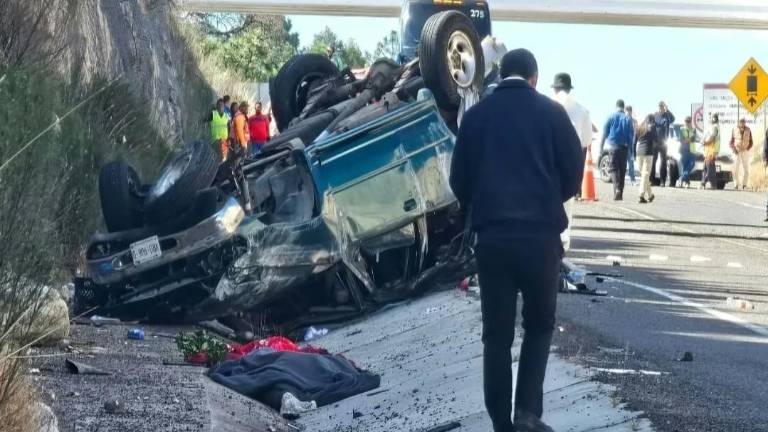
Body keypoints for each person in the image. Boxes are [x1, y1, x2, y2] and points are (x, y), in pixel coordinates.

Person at [449, 48, 583, 432]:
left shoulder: (475, 118)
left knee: (497, 335)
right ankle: (527, 413)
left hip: (493, 239)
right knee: (539, 326)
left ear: (500, 75)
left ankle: (501, 423)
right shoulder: (552, 114)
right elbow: (573, 174)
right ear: (534, 79)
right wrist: (544, 199)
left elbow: (459, 181)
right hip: (540, 239)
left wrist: (484, 203)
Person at [600, 99, 634, 200]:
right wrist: (631, 151)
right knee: (622, 170)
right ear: (623, 107)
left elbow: (604, 133)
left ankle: (617, 189)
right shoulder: (628, 119)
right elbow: (631, 137)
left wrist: (600, 147)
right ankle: (620, 193)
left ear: (616, 107)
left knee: (613, 169)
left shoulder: (611, 117)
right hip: (624, 148)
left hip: (613, 147)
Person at [634, 114, 658, 203]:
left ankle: (650, 195)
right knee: (646, 174)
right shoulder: (652, 127)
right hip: (648, 153)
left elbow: (634, 142)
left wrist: (633, 154)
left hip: (638, 153)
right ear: (652, 120)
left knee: (644, 175)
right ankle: (641, 195)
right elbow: (656, 139)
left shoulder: (639, 127)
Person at [652, 101, 675, 186]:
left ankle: (662, 181)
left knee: (663, 162)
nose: (660, 108)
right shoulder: (655, 115)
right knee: (653, 161)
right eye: (659, 106)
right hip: (655, 142)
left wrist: (667, 110)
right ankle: (652, 180)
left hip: (663, 142)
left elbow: (673, 119)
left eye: (662, 106)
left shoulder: (667, 116)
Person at [730, 118, 754, 190]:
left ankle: (744, 185)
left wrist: (747, 148)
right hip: (737, 151)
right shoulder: (734, 129)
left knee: (746, 169)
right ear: (739, 123)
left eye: (743, 122)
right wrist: (734, 149)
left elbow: (751, 141)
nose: (742, 123)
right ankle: (736, 184)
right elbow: (731, 142)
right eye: (741, 122)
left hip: (745, 151)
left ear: (745, 123)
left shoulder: (748, 130)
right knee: (735, 169)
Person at [701, 113, 720, 189]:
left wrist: (705, 142)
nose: (710, 119)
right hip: (708, 150)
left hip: (712, 150)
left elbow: (712, 137)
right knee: (706, 167)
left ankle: (705, 183)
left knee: (709, 168)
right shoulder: (712, 127)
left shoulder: (715, 127)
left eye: (711, 117)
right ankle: (710, 184)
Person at [679, 116, 698, 188]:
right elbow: (681, 140)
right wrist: (688, 140)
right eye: (686, 121)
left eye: (689, 121)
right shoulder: (681, 129)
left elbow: (693, 139)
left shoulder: (693, 130)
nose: (687, 123)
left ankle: (682, 178)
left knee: (691, 165)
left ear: (691, 122)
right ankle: (687, 183)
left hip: (692, 151)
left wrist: (686, 140)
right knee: (685, 167)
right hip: (684, 150)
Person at [625, 105, 638, 185]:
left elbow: (636, 133)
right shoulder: (623, 119)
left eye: (630, 110)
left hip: (631, 145)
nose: (629, 112)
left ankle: (632, 179)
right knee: (622, 163)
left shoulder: (634, 121)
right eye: (627, 110)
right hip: (623, 144)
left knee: (631, 163)